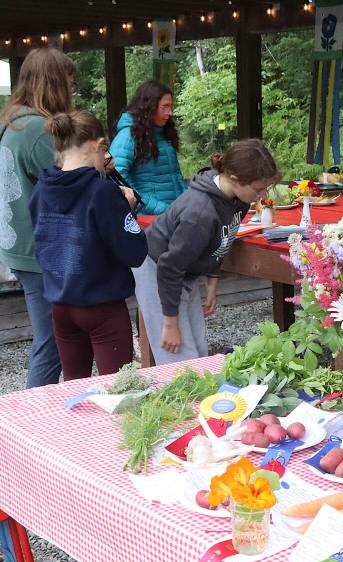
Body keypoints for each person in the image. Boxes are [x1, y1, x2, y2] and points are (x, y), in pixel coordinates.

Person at [134, 140, 279, 364]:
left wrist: (212, 282)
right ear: (234, 178)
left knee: (198, 346)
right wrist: (170, 323)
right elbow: (169, 267)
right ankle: (183, 395)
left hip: (183, 269)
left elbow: (225, 238)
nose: (262, 195)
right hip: (157, 268)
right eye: (258, 189)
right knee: (178, 353)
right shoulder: (200, 213)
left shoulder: (238, 198)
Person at [30, 112, 148, 380]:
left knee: (74, 388)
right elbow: (135, 252)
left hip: (61, 305)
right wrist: (127, 209)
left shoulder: (41, 189)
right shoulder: (103, 193)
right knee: (118, 389)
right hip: (102, 306)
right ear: (99, 145)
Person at [0, 47, 77, 388]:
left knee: (53, 339)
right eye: (69, 83)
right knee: (54, 344)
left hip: (18, 244)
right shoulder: (37, 130)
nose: (73, 91)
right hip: (40, 250)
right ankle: (30, 418)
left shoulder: (12, 120)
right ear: (54, 84)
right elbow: (71, 184)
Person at [109, 80, 188, 216]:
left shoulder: (163, 134)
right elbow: (117, 180)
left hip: (172, 215)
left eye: (171, 107)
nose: (170, 112)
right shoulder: (127, 136)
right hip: (148, 219)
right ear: (149, 106)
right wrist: (155, 207)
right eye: (165, 107)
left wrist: (188, 202)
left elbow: (175, 177)